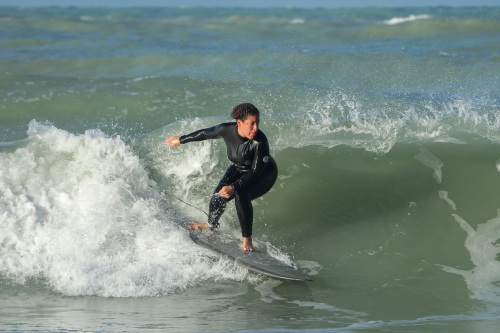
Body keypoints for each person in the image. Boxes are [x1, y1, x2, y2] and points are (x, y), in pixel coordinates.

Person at [165, 103, 278, 252]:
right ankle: (210, 226)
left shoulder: (261, 141)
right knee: (218, 196)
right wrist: (181, 139)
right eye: (251, 124)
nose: (256, 128)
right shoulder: (227, 130)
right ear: (239, 123)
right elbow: (205, 133)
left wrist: (233, 187)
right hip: (239, 167)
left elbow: (256, 171)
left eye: (257, 123)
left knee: (241, 195)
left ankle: (247, 239)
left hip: (264, 173)